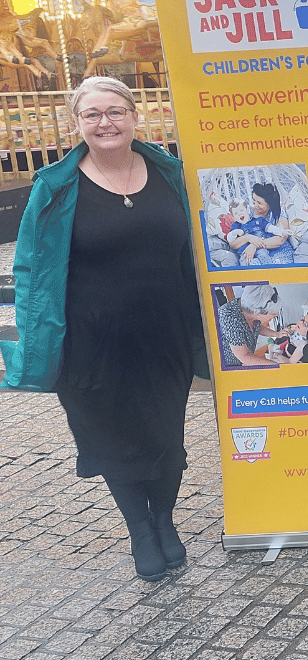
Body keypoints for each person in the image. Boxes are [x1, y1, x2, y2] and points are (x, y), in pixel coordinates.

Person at [1, 76, 208, 583]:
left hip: (166, 335)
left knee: (165, 433)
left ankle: (164, 518)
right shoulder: (54, 187)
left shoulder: (171, 174)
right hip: (90, 345)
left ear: (135, 116)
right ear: (77, 124)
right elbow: (30, 267)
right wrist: (36, 337)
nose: (105, 123)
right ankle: (140, 529)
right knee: (114, 437)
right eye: (92, 114)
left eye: (115, 111)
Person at [217, 284, 282, 368]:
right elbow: (244, 356)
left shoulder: (250, 307)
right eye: (273, 313)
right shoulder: (230, 318)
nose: (276, 315)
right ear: (257, 313)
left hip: (243, 359)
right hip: (228, 365)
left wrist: (277, 334)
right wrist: (277, 366)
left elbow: (256, 327)